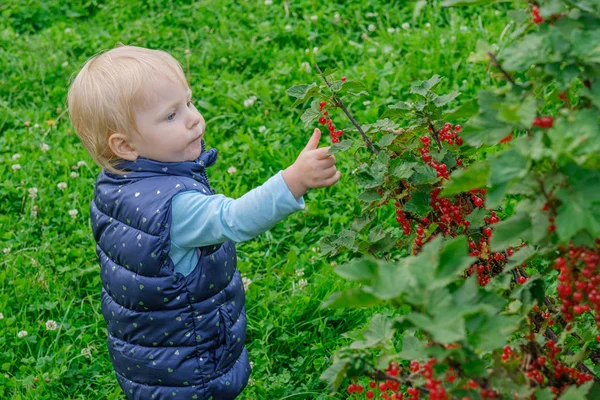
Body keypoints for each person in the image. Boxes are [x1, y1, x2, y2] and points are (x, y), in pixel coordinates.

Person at [67, 44, 340, 399]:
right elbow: (235, 218)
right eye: (170, 116)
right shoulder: (176, 207)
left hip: (146, 354)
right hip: (191, 364)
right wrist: (294, 181)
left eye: (188, 103)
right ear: (125, 146)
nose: (193, 118)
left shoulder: (115, 183)